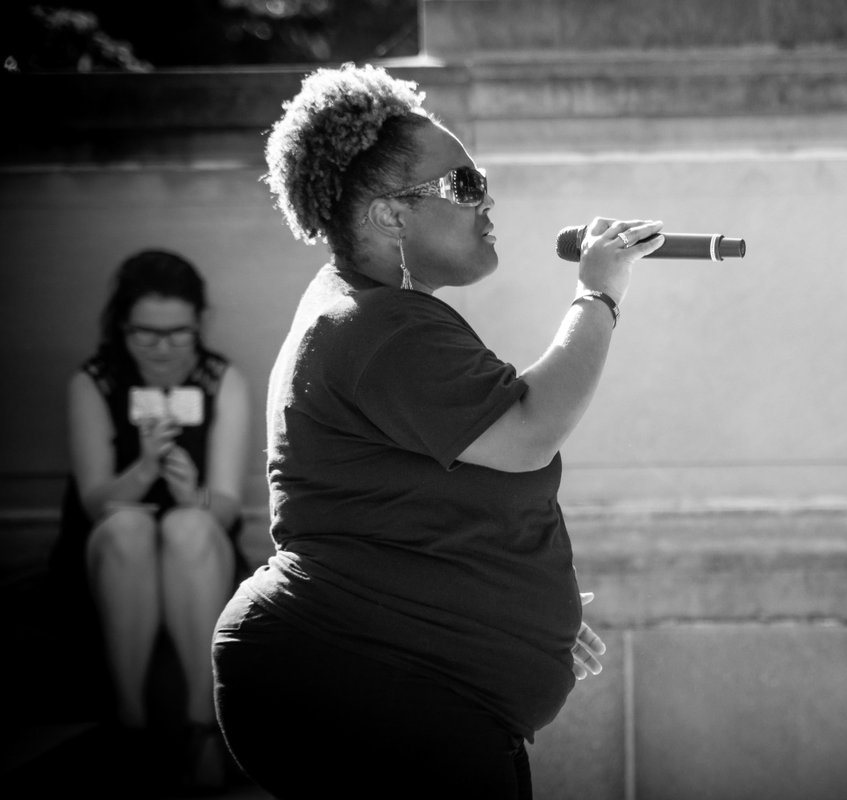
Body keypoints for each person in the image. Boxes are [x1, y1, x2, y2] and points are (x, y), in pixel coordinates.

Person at [211, 63, 664, 798]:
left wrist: (504, 614)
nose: (487, 200)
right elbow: (528, 429)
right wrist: (598, 293)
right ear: (390, 215)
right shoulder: (378, 326)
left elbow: (406, 508)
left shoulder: (370, 310)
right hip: (358, 682)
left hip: (398, 677)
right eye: (463, 185)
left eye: (479, 176)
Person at [50, 249, 251, 792]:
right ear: (122, 327)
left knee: (187, 526)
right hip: (111, 548)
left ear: (199, 324)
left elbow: (227, 506)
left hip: (199, 547)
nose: (163, 349)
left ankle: (201, 728)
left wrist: (193, 494)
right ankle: (131, 725)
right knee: (128, 526)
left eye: (178, 334)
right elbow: (96, 504)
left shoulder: (220, 380)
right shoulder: (96, 381)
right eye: (146, 335)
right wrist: (142, 469)